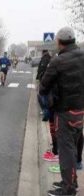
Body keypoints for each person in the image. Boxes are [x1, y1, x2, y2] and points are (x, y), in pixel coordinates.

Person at [39, 27, 84, 196]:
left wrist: (47, 98)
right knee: (73, 148)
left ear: (59, 41)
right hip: (80, 110)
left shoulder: (58, 61)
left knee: (66, 152)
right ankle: (71, 182)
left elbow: (44, 86)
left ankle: (68, 189)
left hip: (64, 111)